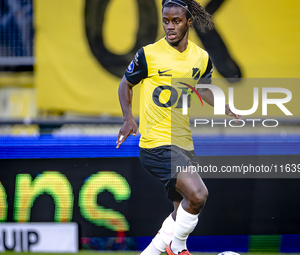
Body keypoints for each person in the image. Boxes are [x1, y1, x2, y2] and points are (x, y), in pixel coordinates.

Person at [116, 0, 240, 254]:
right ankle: (178, 247)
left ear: (189, 22)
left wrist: (223, 106)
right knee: (198, 195)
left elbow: (203, 89)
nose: (170, 27)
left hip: (183, 143)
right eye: (166, 21)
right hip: (156, 144)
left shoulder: (201, 58)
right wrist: (129, 118)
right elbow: (125, 84)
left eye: (176, 21)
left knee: (181, 210)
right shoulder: (148, 54)